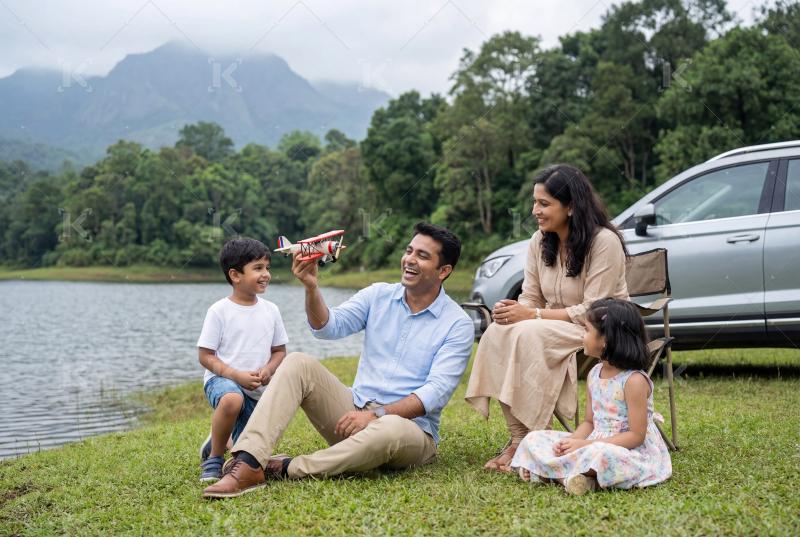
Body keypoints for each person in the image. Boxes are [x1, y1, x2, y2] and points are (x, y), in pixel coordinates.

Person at [202, 222, 474, 499]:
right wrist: (311, 287)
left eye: (423, 256)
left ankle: (288, 468)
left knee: (389, 428)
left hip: (410, 431)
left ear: (444, 271)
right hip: (352, 414)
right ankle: (249, 462)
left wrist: (375, 416)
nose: (410, 260)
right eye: (409, 251)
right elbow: (328, 327)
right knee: (297, 362)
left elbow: (435, 393)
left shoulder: (457, 324)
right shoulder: (378, 295)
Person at [465, 164, 629, 472]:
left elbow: (595, 309)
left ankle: (532, 438)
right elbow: (530, 297)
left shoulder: (603, 242)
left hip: (603, 328)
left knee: (528, 334)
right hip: (555, 325)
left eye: (544, 203)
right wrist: (513, 312)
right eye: (534, 202)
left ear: (570, 207)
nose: (534, 211)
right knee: (497, 333)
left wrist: (532, 315)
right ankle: (518, 438)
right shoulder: (540, 242)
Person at [511, 298, 672, 494]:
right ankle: (573, 477)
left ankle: (553, 474)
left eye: (586, 330)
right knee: (534, 438)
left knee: (602, 455)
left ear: (605, 341)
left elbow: (636, 436)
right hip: (592, 443)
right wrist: (571, 444)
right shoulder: (594, 373)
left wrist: (585, 445)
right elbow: (589, 422)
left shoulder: (634, 381)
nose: (582, 336)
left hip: (627, 451)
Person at [197, 238, 288, 482]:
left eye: (267, 267)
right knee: (231, 399)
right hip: (223, 380)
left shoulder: (271, 310)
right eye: (258, 268)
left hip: (257, 391)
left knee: (246, 455)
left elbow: (280, 350)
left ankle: (223, 439)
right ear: (235, 275)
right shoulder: (219, 311)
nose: (266, 274)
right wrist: (235, 375)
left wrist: (269, 369)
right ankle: (214, 459)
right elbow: (205, 356)